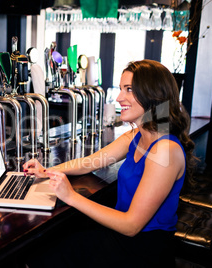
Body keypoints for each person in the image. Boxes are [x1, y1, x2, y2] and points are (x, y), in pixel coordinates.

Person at [23, 59, 197, 267]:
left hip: (142, 249)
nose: (119, 97)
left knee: (44, 256)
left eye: (129, 89)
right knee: (49, 246)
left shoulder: (165, 150)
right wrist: (47, 170)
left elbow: (132, 225)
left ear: (153, 95)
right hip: (121, 235)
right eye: (121, 88)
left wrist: (71, 196)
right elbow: (90, 163)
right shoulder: (137, 136)